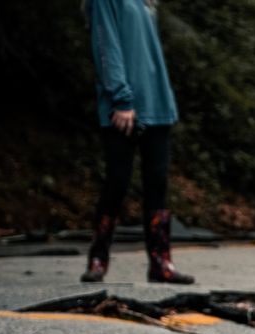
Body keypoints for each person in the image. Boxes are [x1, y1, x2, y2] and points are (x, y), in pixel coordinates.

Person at [80, 0, 193, 284]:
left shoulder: (145, 2)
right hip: (124, 106)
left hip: (157, 103)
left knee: (158, 181)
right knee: (117, 181)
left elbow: (149, 54)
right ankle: (98, 258)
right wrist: (121, 97)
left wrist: (165, 99)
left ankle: (160, 262)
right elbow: (106, 47)